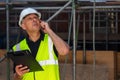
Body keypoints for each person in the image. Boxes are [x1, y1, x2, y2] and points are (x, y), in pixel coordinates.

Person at [12, 8, 70, 80]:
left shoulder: (51, 40)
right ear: (23, 26)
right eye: (29, 18)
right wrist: (18, 75)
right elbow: (16, 78)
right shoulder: (18, 48)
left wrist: (49, 31)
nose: (34, 20)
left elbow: (64, 51)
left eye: (36, 17)